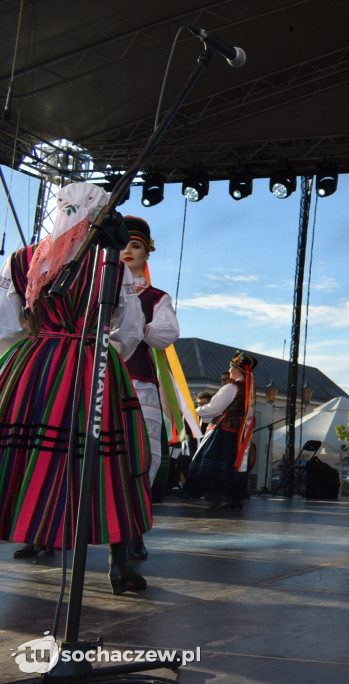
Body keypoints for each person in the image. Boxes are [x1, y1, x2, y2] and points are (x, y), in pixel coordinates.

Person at [0, 182, 150, 594]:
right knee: (109, 462)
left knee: (14, 452)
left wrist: (27, 355)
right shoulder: (109, 266)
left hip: (33, 365)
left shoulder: (21, 260)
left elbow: (7, 325)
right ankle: (120, 566)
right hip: (90, 362)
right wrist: (100, 356)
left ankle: (31, 527)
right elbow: (131, 330)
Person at [119, 216, 180, 559]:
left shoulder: (155, 296)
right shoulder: (95, 292)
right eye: (122, 244)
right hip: (97, 381)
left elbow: (165, 334)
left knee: (138, 456)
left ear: (147, 254)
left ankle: (132, 530)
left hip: (137, 384)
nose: (127, 250)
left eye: (136, 245)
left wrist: (135, 323)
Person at [188, 352, 258, 511]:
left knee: (216, 464)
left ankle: (223, 498)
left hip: (224, 430)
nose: (229, 370)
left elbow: (214, 408)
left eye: (231, 367)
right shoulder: (248, 389)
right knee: (231, 464)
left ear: (237, 369)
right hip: (237, 432)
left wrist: (195, 409)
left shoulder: (231, 387)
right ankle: (234, 498)